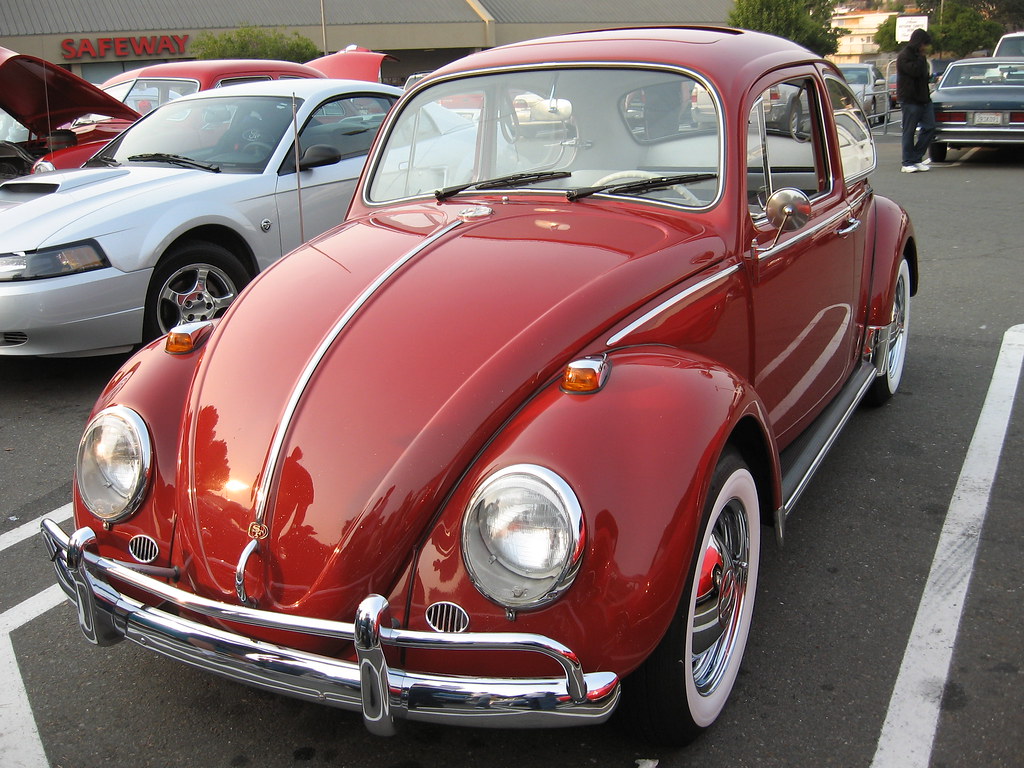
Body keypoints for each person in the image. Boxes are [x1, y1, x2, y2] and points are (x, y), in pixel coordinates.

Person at [896, 28, 936, 173]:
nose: (925, 47)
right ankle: (907, 162)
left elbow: (923, 75)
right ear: (919, 43)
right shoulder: (904, 56)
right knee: (909, 131)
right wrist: (920, 58)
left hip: (924, 98)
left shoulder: (921, 57)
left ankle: (916, 158)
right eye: (924, 44)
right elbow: (914, 71)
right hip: (909, 99)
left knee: (930, 127)